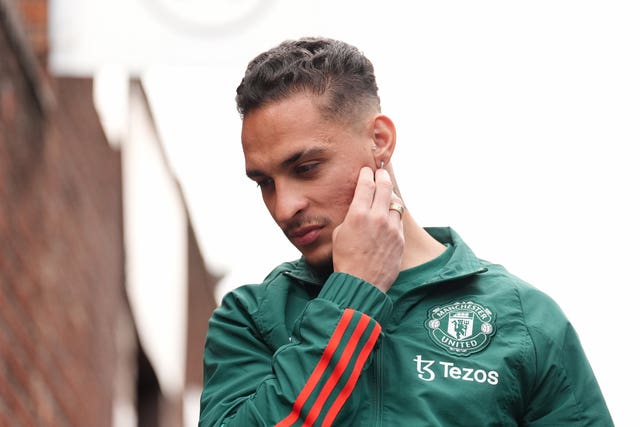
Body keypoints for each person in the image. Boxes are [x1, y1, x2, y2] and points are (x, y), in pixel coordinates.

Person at [198, 36, 613, 426]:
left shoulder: (525, 319)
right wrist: (353, 294)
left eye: (306, 168)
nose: (284, 206)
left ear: (379, 140)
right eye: (264, 182)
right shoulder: (251, 318)